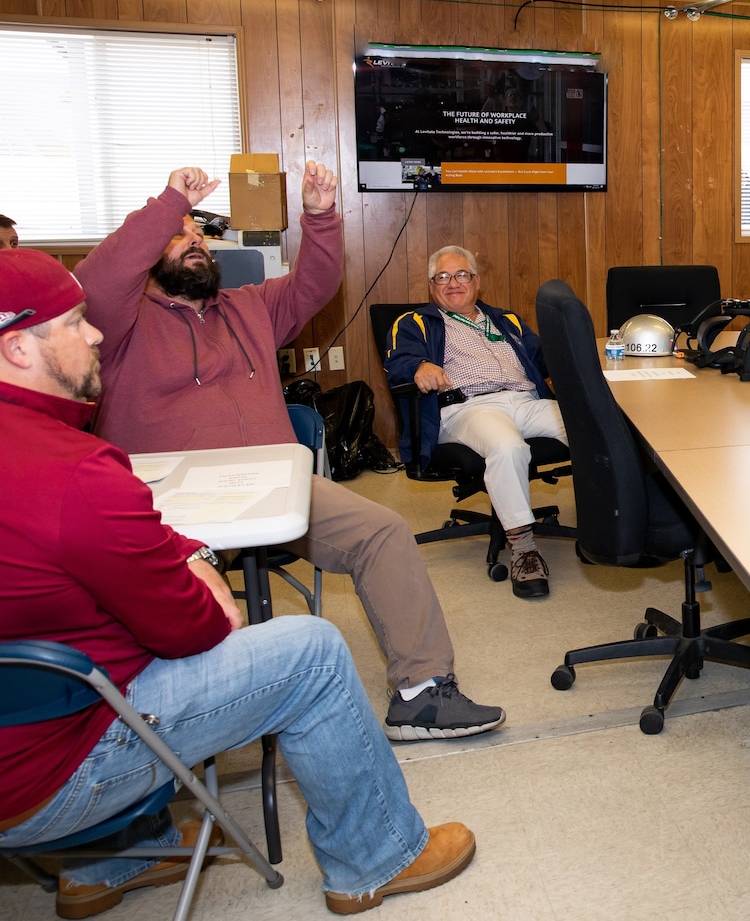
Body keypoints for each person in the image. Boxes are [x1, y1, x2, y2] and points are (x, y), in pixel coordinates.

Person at [0, 249, 475, 917]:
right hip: (49, 777)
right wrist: (191, 561)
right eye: (76, 322)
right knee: (310, 651)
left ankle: (119, 859)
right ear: (19, 347)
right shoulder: (76, 470)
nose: (96, 332)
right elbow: (195, 628)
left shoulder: (52, 458)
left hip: (30, 727)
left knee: (79, 629)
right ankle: (376, 856)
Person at [74, 164, 505, 742]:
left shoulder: (249, 305)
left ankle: (421, 695)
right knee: (186, 609)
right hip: (164, 507)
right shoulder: (115, 324)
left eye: (199, 234)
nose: (195, 242)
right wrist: (170, 205)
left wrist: (321, 216)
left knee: (382, 531)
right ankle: (164, 739)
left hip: (273, 486)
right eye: (178, 237)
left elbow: (316, 282)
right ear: (149, 249)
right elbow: (98, 279)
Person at [384, 246, 568, 599]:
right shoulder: (416, 322)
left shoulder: (506, 320)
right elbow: (398, 362)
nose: (453, 283)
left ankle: (615, 523)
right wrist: (419, 367)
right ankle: (524, 549)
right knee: (508, 446)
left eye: (462, 275)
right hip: (469, 407)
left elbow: (545, 357)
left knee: (593, 431)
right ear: (431, 285)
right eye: (443, 277)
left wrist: (575, 349)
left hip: (527, 399)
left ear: (477, 282)